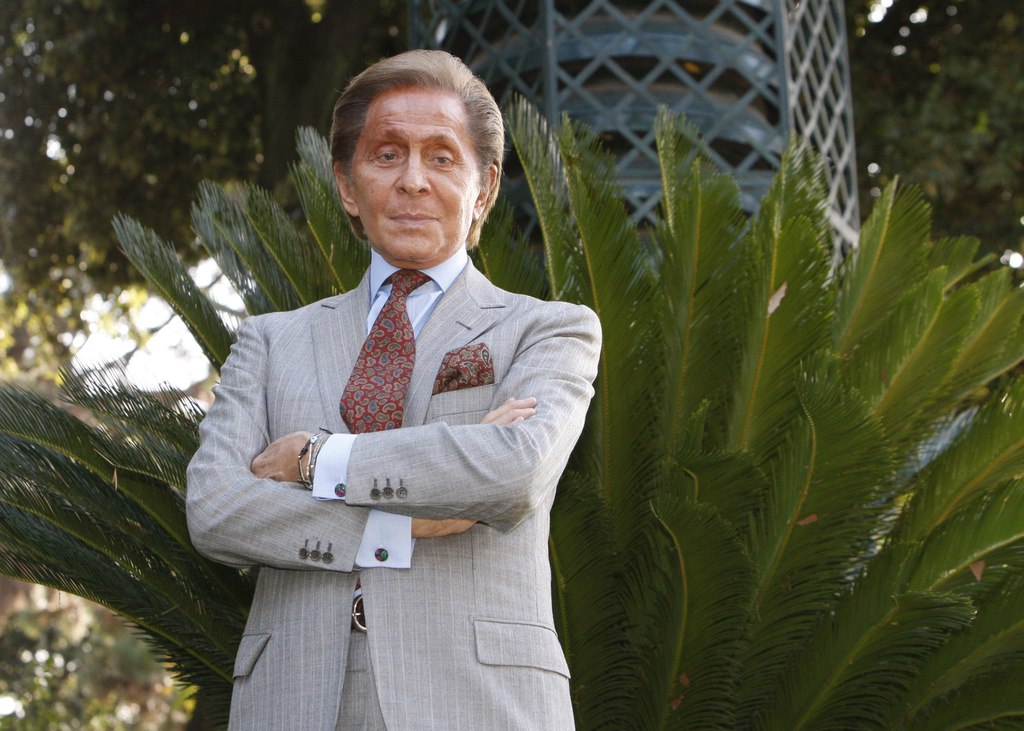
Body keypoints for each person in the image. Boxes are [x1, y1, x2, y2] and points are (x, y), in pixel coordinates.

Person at [186, 49, 601, 731]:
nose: (413, 180)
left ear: (484, 188)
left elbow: (513, 469)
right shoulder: (268, 341)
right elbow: (215, 507)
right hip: (291, 700)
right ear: (348, 186)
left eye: (442, 157)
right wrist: (395, 530)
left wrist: (317, 460)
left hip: (479, 702)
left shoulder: (548, 330)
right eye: (386, 155)